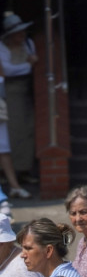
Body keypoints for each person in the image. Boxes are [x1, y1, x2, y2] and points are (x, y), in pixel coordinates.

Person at [0, 14, 36, 189]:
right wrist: (28, 66)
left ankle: (24, 170)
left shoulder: (29, 44)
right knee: (13, 131)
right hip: (10, 92)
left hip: (26, 90)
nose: (21, 35)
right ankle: (10, 172)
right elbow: (6, 70)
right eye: (17, 33)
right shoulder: (2, 48)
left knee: (28, 129)